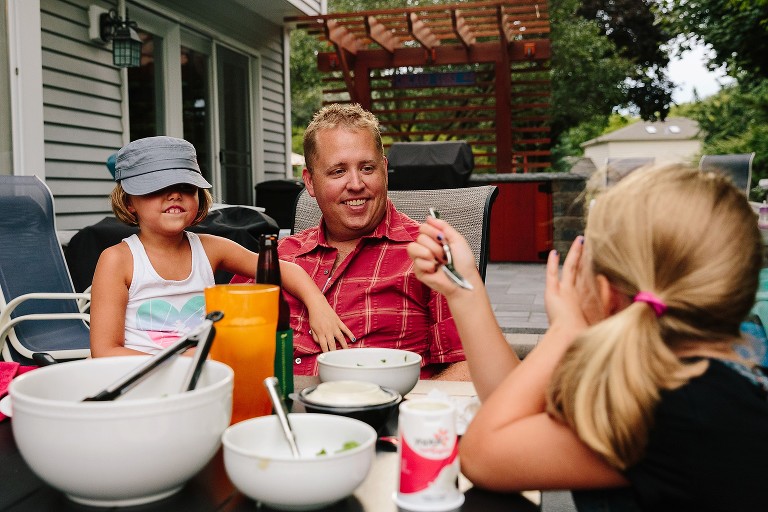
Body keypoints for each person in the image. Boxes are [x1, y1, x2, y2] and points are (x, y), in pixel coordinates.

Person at [407, 163, 768, 511]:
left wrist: (564, 332)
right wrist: (463, 288)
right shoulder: (672, 372)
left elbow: (484, 453)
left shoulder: (674, 410)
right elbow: (514, 401)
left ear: (606, 292)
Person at [233, 104, 467, 379]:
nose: (356, 184)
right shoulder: (280, 257)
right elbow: (221, 339)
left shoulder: (429, 253)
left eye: (367, 168)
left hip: (384, 415)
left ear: (384, 170)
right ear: (309, 182)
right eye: (338, 171)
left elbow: (470, 366)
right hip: (282, 410)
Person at [90, 136, 352, 357]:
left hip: (204, 378)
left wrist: (318, 305)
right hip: (138, 382)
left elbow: (287, 270)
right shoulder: (118, 260)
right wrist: (180, 361)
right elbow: (104, 351)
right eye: (156, 188)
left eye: (185, 187)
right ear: (128, 203)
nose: (174, 195)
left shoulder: (210, 248)